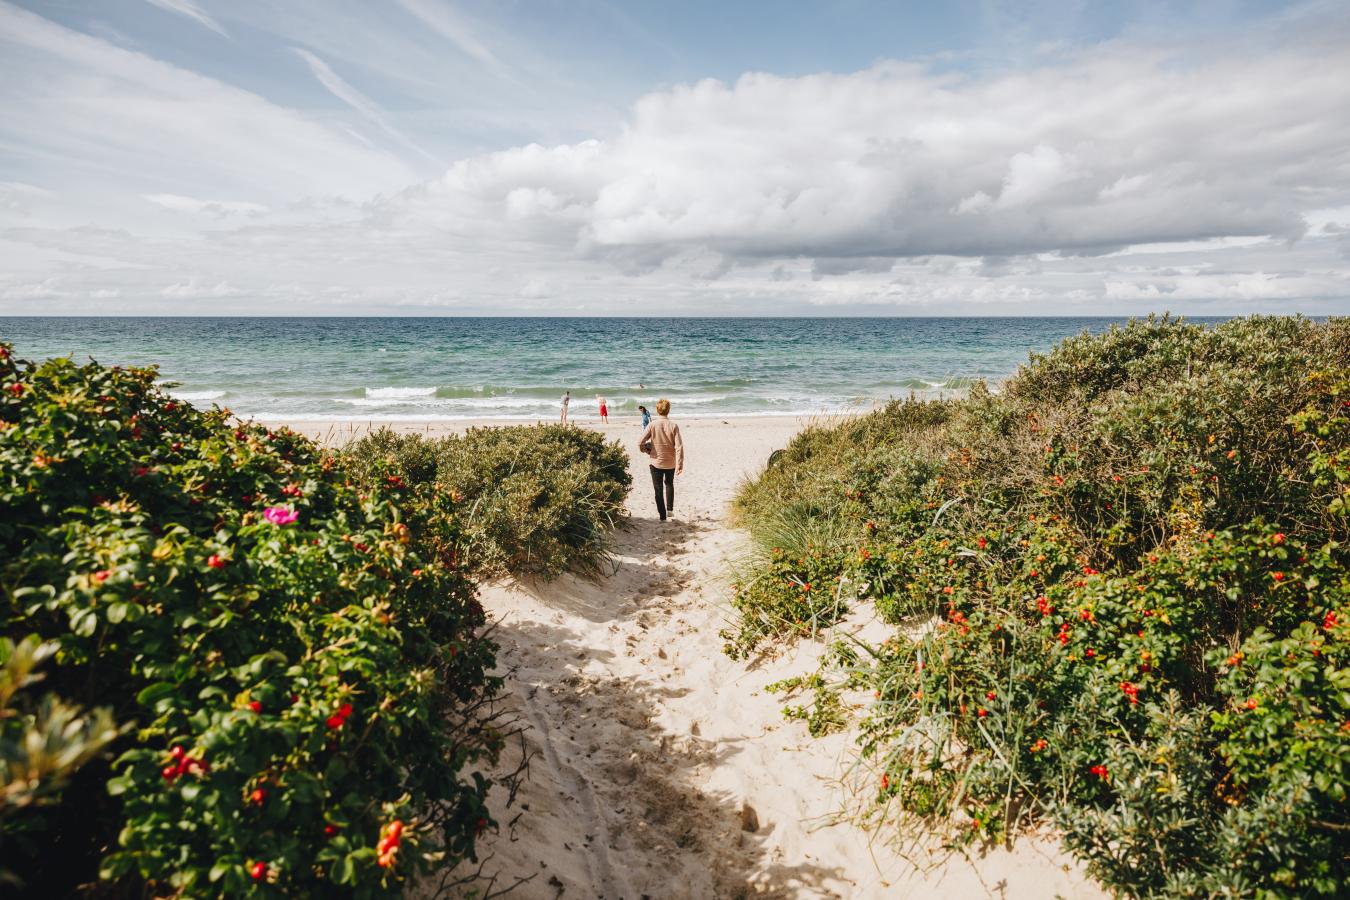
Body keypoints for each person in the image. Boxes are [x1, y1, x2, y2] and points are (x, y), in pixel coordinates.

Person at [638, 398, 683, 521]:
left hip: (655, 462)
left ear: (657, 410)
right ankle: (670, 510)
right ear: (668, 410)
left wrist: (646, 450)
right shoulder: (674, 426)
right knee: (669, 484)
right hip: (670, 462)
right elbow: (679, 446)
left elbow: (640, 442)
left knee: (658, 489)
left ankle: (662, 516)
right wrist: (680, 463)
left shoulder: (652, 425)